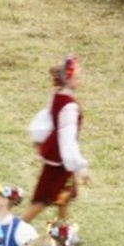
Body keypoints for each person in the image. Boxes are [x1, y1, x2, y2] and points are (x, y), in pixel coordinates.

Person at [24, 54, 90, 224]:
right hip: (60, 158)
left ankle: (63, 230)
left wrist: (39, 141)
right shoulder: (69, 107)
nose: (80, 79)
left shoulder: (57, 96)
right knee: (44, 197)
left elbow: (46, 119)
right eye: (77, 76)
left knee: (64, 193)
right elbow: (68, 140)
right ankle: (17, 228)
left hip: (57, 155)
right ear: (68, 80)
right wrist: (80, 167)